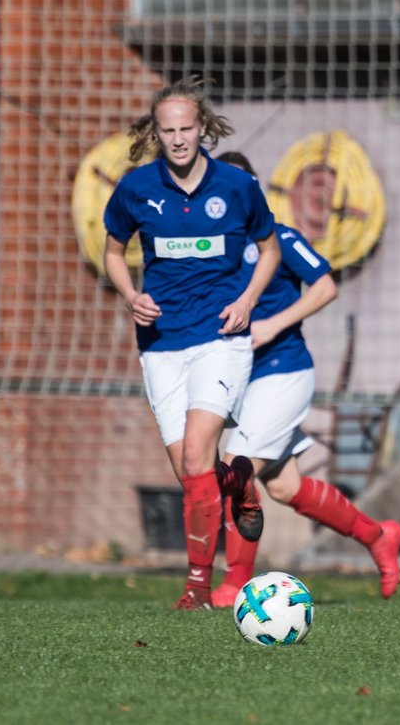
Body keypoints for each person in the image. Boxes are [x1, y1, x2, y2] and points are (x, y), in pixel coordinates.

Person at [103, 77, 281, 610]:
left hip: (220, 339)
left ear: (203, 128)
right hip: (160, 343)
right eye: (168, 131)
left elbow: (269, 250)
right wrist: (130, 293)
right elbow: (113, 251)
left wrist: (248, 298)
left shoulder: (236, 185)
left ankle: (197, 589)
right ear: (155, 133)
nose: (178, 139)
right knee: (191, 472)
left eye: (186, 128)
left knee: (200, 450)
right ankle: (240, 481)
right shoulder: (135, 188)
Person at [209, 152, 400, 607]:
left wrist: (274, 325)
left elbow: (325, 285)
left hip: (284, 372)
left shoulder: (279, 236)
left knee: (237, 465)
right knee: (283, 487)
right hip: (240, 382)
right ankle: (378, 536)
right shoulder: (213, 247)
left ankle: (235, 584)